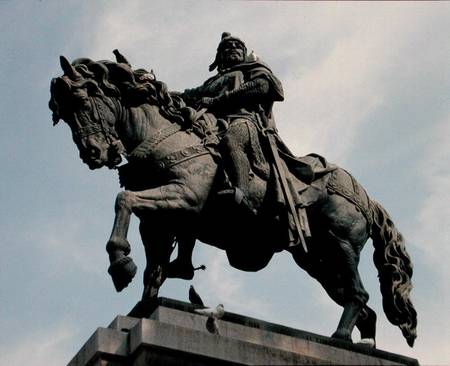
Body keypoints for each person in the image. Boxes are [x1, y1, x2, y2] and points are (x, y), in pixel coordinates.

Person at [181, 32, 285, 209]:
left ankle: (241, 193)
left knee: (232, 140)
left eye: (238, 46)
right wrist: (156, 85)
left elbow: (262, 86)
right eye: (227, 47)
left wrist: (216, 101)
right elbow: (188, 95)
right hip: (213, 125)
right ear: (219, 56)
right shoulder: (211, 82)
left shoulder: (251, 68)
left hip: (245, 120)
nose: (233, 48)